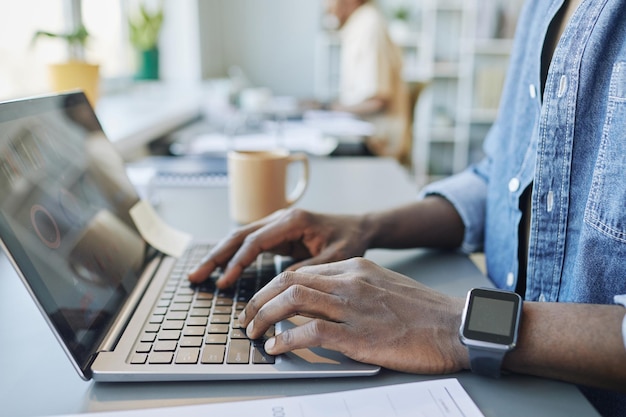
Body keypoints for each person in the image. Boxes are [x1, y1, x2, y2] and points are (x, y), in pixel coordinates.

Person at [189, 0, 626, 415]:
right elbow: (498, 179)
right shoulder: (540, 8)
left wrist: (454, 324)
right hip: (513, 390)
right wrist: (366, 227)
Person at [319, 0, 411, 161]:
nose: (325, 6)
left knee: (318, 159)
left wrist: (329, 108)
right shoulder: (358, 24)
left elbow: (377, 101)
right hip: (366, 134)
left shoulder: (369, 25)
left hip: (378, 144)